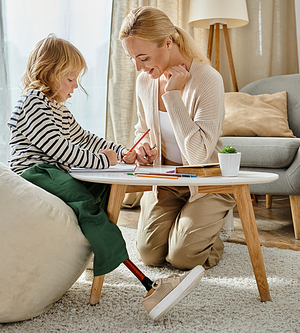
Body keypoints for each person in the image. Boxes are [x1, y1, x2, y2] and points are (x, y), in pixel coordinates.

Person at [7, 35, 204, 321]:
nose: (76, 86)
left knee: (105, 188)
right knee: (85, 201)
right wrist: (104, 161)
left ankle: (96, 249)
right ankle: (148, 285)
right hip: (34, 172)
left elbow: (85, 138)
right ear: (50, 73)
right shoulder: (33, 103)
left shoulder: (56, 108)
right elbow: (64, 152)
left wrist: (124, 152)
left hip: (53, 171)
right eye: (71, 78)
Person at [119, 7, 236, 272]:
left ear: (168, 42)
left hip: (207, 182)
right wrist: (143, 148)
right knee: (150, 255)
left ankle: (211, 238)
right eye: (132, 59)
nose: (139, 67)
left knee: (182, 258)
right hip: (167, 180)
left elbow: (197, 156)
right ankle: (188, 228)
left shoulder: (208, 80)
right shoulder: (144, 81)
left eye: (144, 57)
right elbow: (143, 129)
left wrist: (172, 96)